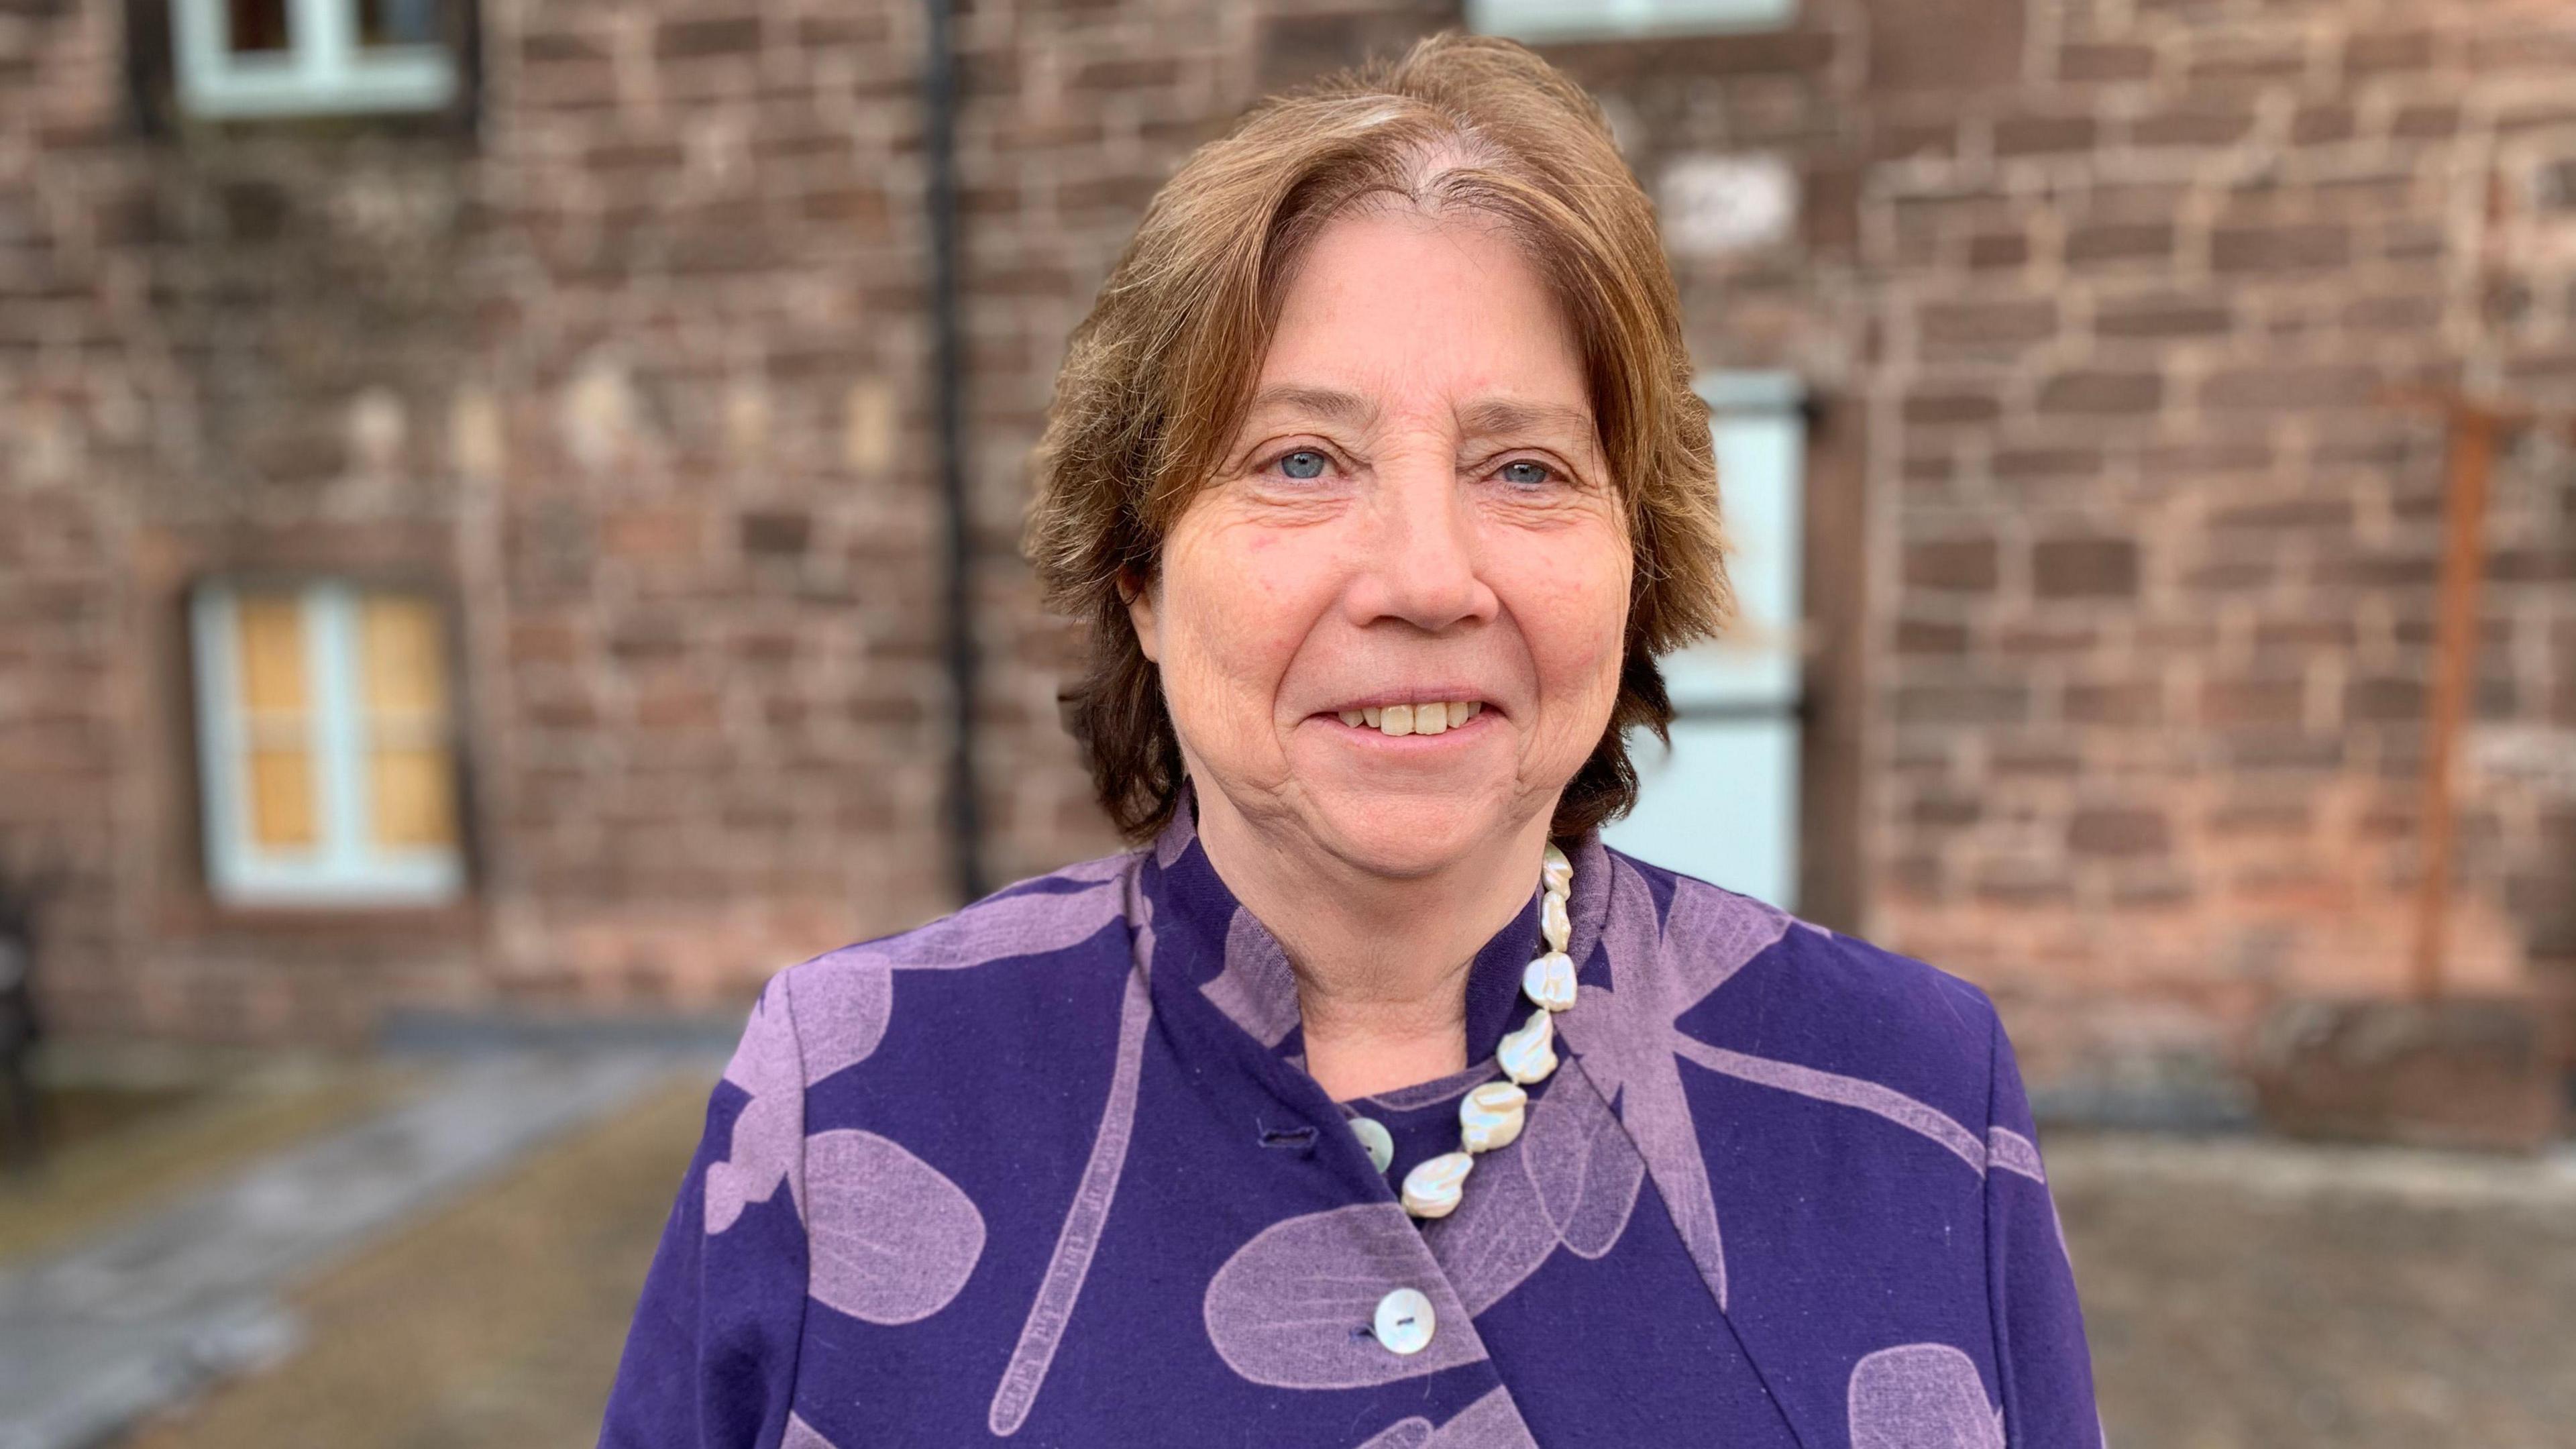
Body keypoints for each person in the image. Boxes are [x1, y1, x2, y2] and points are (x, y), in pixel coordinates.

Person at [600, 32, 2098, 1449]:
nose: (1428, 580)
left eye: (1525, 469)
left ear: (1638, 556)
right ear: (1138, 572)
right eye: (1301, 461)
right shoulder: (852, 1094)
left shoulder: (1916, 1098)